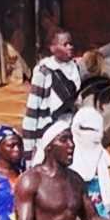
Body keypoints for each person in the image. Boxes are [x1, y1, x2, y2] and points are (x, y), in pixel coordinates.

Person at [21, 27, 82, 161]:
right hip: (47, 130)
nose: (70, 47)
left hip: (69, 127)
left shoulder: (75, 68)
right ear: (53, 48)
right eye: (65, 44)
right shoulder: (44, 71)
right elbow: (33, 108)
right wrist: (29, 147)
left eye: (71, 44)